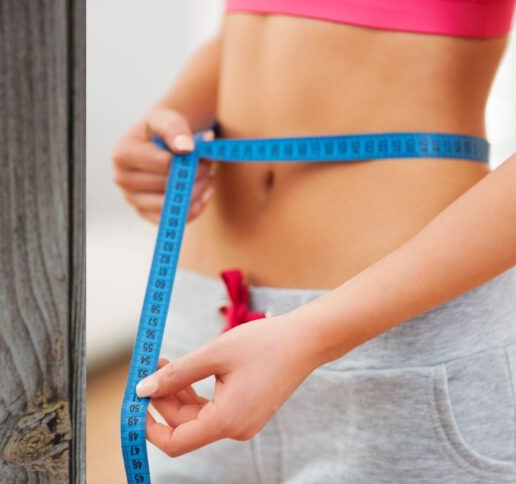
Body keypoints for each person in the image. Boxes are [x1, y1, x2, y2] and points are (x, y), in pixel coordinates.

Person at [112, 2, 516, 482]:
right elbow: (260, 27)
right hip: (202, 326)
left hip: (398, 344)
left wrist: (311, 336)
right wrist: (177, 114)